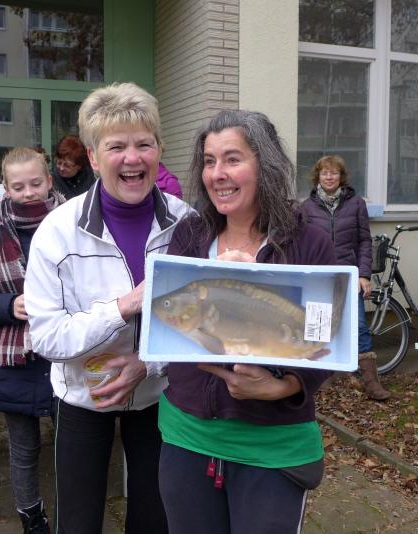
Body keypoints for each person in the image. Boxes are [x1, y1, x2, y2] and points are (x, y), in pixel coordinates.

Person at [157, 110, 337, 534]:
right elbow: (169, 324)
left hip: (272, 445)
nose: (217, 174)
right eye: (209, 161)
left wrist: (285, 386)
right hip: (186, 436)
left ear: (265, 164)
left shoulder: (309, 242)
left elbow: (327, 339)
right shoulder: (189, 236)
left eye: (232, 159)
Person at [24, 82, 191, 534]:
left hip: (158, 395)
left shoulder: (187, 223)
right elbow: (47, 338)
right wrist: (123, 306)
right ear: (94, 158)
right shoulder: (57, 231)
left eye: (144, 144)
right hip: (82, 397)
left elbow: (199, 325)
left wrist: (148, 364)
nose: (132, 158)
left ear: (159, 150)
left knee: (155, 519)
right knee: (77, 521)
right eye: (116, 147)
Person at [0, 147, 63, 533]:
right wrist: (8, 305)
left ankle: (73, 508)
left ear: (49, 181)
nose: (29, 192)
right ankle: (31, 515)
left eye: (36, 183)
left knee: (72, 444)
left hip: (66, 354)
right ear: (5, 188)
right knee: (23, 447)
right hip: (15, 362)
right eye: (18, 187)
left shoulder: (73, 225)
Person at [300, 155, 389, 400]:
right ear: (318, 176)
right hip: (320, 276)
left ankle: (370, 382)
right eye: (325, 173)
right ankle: (318, 382)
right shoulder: (306, 207)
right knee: (318, 326)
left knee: (358, 326)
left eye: (334, 173)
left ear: (341, 177)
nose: (329, 177)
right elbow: (302, 243)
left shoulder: (356, 203)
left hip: (349, 275)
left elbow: (364, 241)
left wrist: (364, 275)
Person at [50, 134, 96, 200]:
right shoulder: (53, 181)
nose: (61, 168)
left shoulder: (91, 176)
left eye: (67, 165)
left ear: (79, 166)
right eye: (59, 162)